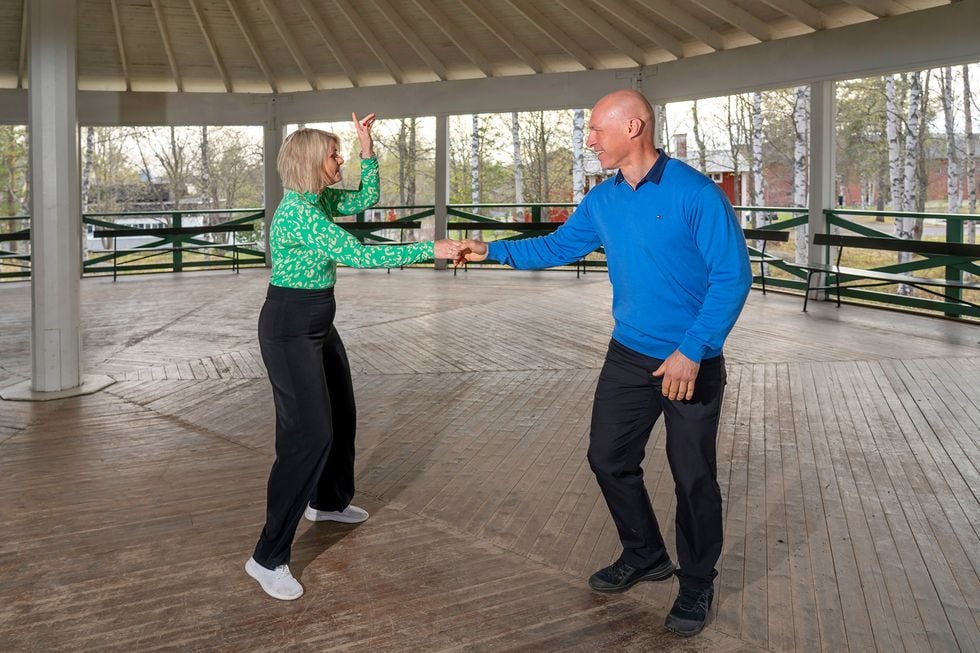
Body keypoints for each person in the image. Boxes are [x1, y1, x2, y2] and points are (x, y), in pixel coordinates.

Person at [454, 90, 752, 637]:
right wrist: (489, 249)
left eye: (596, 129)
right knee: (606, 458)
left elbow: (732, 278)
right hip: (629, 354)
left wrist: (692, 350)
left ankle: (696, 581)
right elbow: (557, 247)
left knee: (693, 478)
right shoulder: (603, 198)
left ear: (633, 127)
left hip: (692, 360)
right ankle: (645, 555)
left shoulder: (695, 193)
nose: (589, 139)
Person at [246, 114, 460, 601]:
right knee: (307, 436)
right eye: (335, 154)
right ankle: (267, 556)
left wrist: (367, 146)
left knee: (341, 413)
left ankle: (328, 502)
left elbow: (365, 198)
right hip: (289, 327)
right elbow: (361, 254)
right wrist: (435, 248)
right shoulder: (299, 213)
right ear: (310, 163)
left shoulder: (318, 199)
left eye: (341, 153)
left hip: (319, 322)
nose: (340, 161)